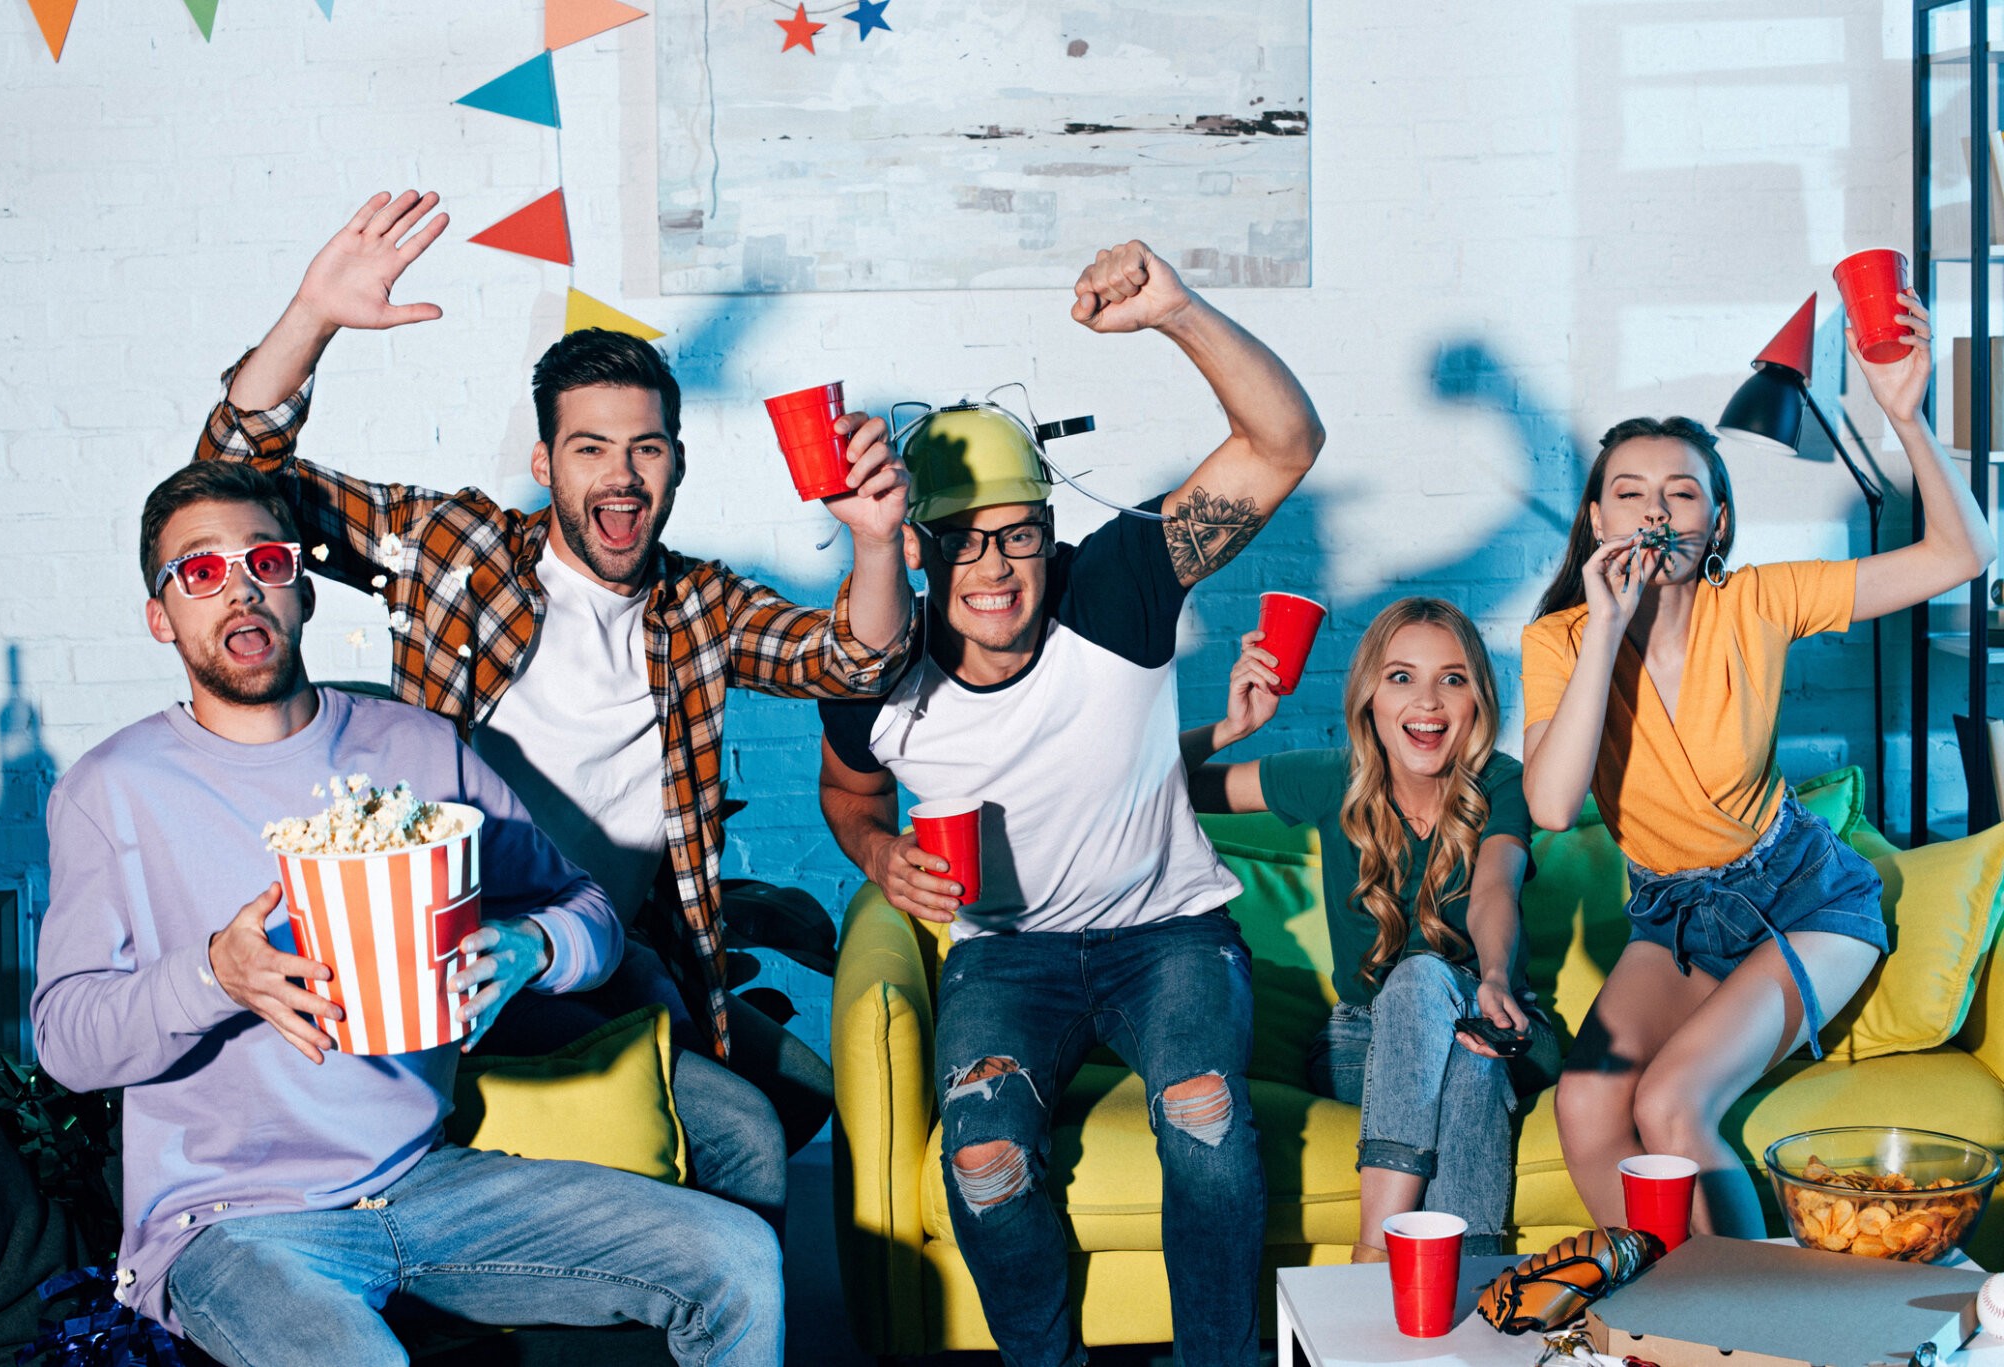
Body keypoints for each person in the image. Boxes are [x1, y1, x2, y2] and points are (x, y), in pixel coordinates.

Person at [195, 190, 916, 1229]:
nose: (621, 477)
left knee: (802, 1089)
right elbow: (231, 475)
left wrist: (878, 538)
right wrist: (311, 316)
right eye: (590, 448)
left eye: (647, 449)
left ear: (674, 460)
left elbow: (853, 662)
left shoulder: (698, 603)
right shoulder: (456, 550)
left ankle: (628, 1249)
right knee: (739, 1132)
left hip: (612, 949)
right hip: (462, 957)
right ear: (545, 463)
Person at [30, 462, 781, 1367]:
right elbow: (66, 1044)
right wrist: (212, 976)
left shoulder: (420, 751)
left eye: (266, 559)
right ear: (161, 616)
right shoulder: (109, 790)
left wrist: (531, 948)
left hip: (422, 1181)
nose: (241, 589)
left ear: (302, 588)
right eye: (200, 571)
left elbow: (585, 907)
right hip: (230, 1226)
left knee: (738, 1259)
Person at [817, 240, 1324, 1367]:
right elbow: (847, 790)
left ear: (1048, 530)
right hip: (1004, 956)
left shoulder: (1112, 586)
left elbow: (1283, 443)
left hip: (1169, 935)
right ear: (912, 544)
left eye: (1018, 532)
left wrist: (1177, 312)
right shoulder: (872, 663)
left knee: (1201, 1111)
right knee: (982, 1159)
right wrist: (876, 854)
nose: (995, 567)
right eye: (962, 539)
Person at [1520, 293, 1995, 1238]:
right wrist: (1605, 626)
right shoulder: (1563, 638)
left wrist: (1905, 414)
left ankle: (1750, 1327)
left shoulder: (1762, 603)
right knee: (1586, 1101)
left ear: (1717, 523)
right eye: (1630, 490)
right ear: (1596, 516)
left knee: (1672, 1102)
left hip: (1803, 900)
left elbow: (1962, 552)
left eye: (1683, 491)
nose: (1656, 509)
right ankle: (1660, 1310)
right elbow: (1548, 802)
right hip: (1674, 914)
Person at [1184, 598, 1558, 1261]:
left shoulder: (1502, 781)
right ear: (1368, 699)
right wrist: (1231, 726)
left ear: (1478, 698)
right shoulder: (1333, 780)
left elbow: (1495, 885)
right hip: (1370, 1038)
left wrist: (1495, 973)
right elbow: (1162, 784)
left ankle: (1377, 1258)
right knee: (1457, 1050)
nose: (1429, 701)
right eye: (1401, 676)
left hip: (1500, 1018)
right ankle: (1468, 1290)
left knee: (1463, 1032)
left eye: (1453, 677)